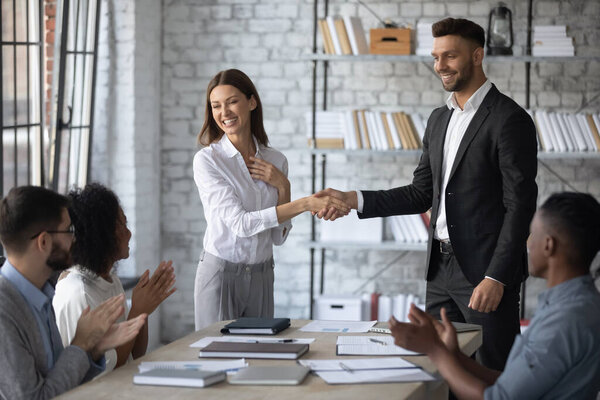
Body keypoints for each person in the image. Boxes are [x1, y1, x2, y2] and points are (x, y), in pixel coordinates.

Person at [315, 17, 537, 370]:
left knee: (491, 371)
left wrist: (497, 276)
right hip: (439, 270)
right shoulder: (438, 119)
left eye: (450, 56)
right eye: (436, 57)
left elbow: (520, 206)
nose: (440, 66)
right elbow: (421, 193)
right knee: (438, 369)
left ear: (477, 55)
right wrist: (353, 198)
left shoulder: (510, 120)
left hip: (485, 272)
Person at [389, 192, 600, 399]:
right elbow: (511, 382)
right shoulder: (576, 303)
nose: (527, 242)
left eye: (532, 234)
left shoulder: (565, 320)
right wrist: (454, 356)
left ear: (548, 245)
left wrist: (434, 350)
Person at [193, 69, 350, 330]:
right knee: (217, 358)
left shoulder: (276, 161)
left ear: (251, 102)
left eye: (232, 101)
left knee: (258, 359)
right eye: (216, 106)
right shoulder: (208, 161)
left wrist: (283, 187)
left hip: (262, 275)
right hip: (221, 274)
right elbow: (241, 225)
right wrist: (306, 203)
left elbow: (277, 238)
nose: (224, 112)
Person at [0, 186, 146, 399]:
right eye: (69, 231)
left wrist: (94, 350)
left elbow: (61, 380)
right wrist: (81, 343)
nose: (76, 239)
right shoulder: (5, 310)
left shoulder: (41, 293)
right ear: (44, 242)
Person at [53, 183, 176, 373]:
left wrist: (142, 312)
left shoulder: (110, 280)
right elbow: (105, 371)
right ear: (102, 235)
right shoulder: (78, 292)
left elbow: (135, 354)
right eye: (122, 225)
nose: (129, 233)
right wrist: (136, 311)